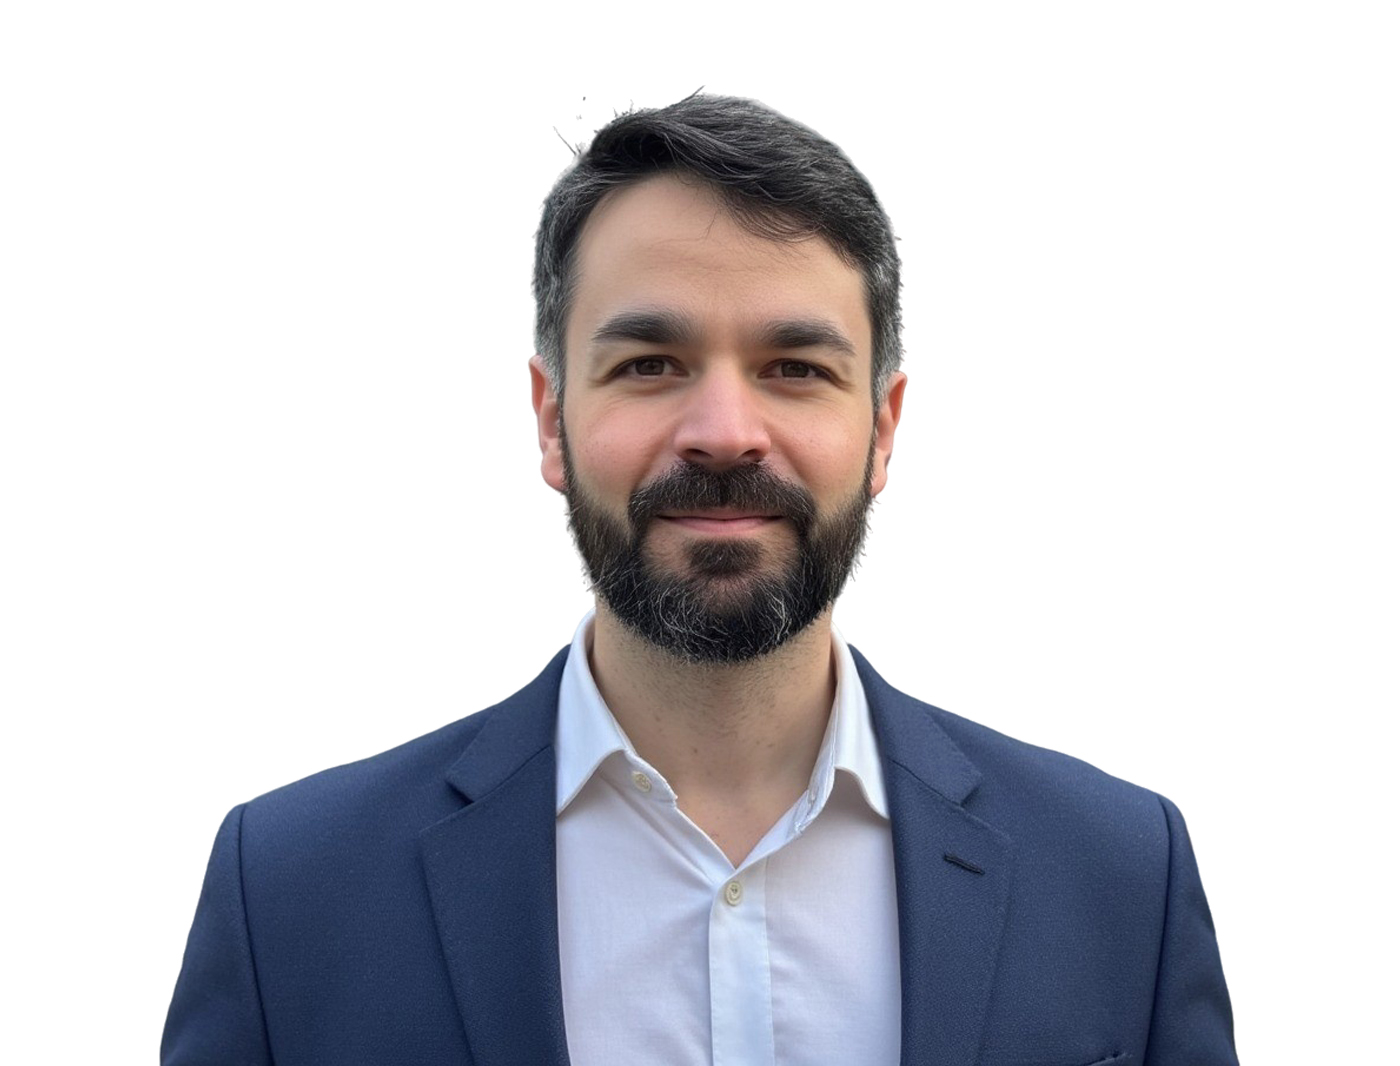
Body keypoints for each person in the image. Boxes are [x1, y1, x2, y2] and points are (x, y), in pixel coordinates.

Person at [162, 94, 1238, 1065]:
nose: (724, 432)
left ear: (882, 428)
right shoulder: (290, 894)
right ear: (551, 419)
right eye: (650, 365)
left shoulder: (1119, 879)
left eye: (794, 369)